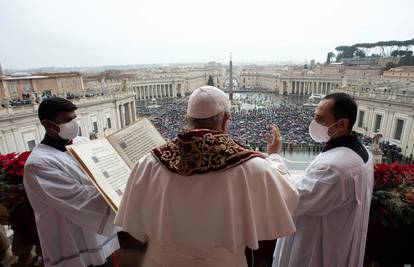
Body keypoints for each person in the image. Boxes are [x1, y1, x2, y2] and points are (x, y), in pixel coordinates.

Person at [115, 86, 299, 267]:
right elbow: (288, 197)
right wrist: (274, 156)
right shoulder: (251, 166)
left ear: (188, 120)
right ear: (226, 119)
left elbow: (134, 224)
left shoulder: (150, 162)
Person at [270, 93, 374, 267]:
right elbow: (315, 186)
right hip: (340, 238)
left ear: (342, 124)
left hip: (315, 249)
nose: (314, 123)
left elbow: (293, 198)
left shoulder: (333, 167)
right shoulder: (363, 153)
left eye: (320, 119)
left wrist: (274, 157)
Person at [24, 97, 120, 267]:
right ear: (49, 125)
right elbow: (81, 198)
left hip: (97, 232)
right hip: (72, 239)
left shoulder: (81, 143)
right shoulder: (38, 164)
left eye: (74, 118)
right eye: (68, 120)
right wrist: (123, 190)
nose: (74, 124)